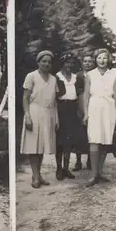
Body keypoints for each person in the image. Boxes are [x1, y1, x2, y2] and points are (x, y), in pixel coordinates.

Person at [20, 50, 59, 188]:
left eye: (49, 62)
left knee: (41, 146)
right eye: (44, 61)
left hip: (48, 114)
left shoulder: (54, 79)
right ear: (38, 62)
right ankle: (35, 176)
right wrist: (27, 116)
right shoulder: (31, 76)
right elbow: (25, 98)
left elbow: (54, 102)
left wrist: (56, 119)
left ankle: (38, 174)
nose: (46, 64)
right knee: (33, 146)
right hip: (34, 111)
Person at [83, 48, 116, 187]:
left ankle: (99, 172)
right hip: (94, 107)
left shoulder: (113, 75)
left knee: (105, 140)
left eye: (104, 58)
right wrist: (86, 113)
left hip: (109, 108)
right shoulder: (90, 75)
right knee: (94, 139)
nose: (102, 60)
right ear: (95, 59)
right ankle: (93, 173)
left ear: (108, 59)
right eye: (99, 58)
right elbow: (86, 94)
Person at [55, 52, 81, 180]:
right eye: (67, 62)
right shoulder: (57, 77)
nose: (69, 65)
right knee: (60, 141)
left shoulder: (76, 78)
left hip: (72, 109)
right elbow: (53, 98)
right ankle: (59, 168)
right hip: (60, 108)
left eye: (71, 63)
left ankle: (66, 168)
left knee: (69, 141)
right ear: (62, 63)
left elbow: (80, 96)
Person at [73, 54, 96, 171]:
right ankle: (78, 161)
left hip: (92, 106)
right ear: (82, 63)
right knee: (79, 135)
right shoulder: (78, 76)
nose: (87, 63)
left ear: (93, 63)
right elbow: (75, 92)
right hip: (80, 106)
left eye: (90, 61)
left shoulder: (95, 75)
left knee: (90, 135)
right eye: (85, 61)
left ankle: (90, 160)